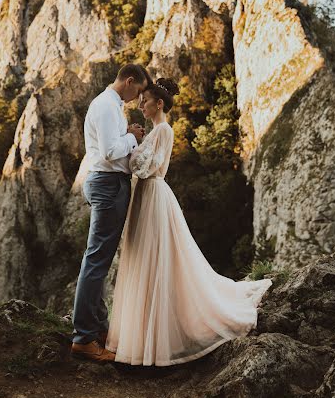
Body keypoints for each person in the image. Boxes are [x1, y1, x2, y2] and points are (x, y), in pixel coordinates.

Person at [105, 77, 273, 366]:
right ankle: (145, 337)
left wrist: (131, 147)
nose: (141, 104)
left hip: (154, 194)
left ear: (159, 104)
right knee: (145, 260)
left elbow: (142, 167)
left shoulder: (163, 130)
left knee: (156, 261)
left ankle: (156, 342)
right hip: (146, 196)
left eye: (145, 101)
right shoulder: (157, 131)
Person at [70, 63, 151, 362]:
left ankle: (97, 327)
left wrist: (128, 135)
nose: (138, 97)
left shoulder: (112, 106)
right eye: (139, 91)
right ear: (129, 82)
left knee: (100, 260)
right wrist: (131, 137)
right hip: (106, 184)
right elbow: (109, 151)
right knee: (96, 260)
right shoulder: (105, 106)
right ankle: (83, 338)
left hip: (110, 184)